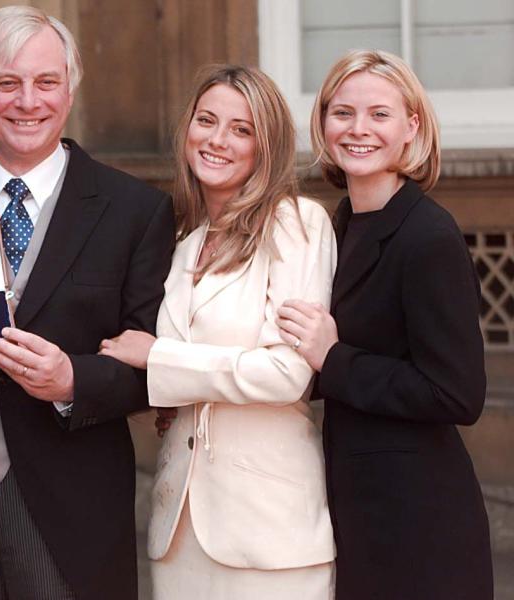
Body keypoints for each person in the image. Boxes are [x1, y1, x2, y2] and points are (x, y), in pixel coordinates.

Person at [0, 6, 175, 600]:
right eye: (7, 82)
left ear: (70, 88)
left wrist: (76, 380)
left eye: (46, 82)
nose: (28, 101)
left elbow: (155, 366)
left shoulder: (134, 211)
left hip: (72, 506)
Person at [99, 65, 337, 599]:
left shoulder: (296, 224)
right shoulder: (182, 238)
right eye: (206, 121)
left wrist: (161, 361)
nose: (217, 139)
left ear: (267, 146)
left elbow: (287, 375)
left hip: (269, 530)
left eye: (241, 129)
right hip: (179, 528)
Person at [276, 49, 492, 599]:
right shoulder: (337, 224)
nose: (358, 129)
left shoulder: (429, 236)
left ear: (410, 128)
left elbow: (457, 394)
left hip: (418, 524)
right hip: (353, 505)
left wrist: (335, 358)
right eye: (342, 112)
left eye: (379, 114)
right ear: (322, 123)